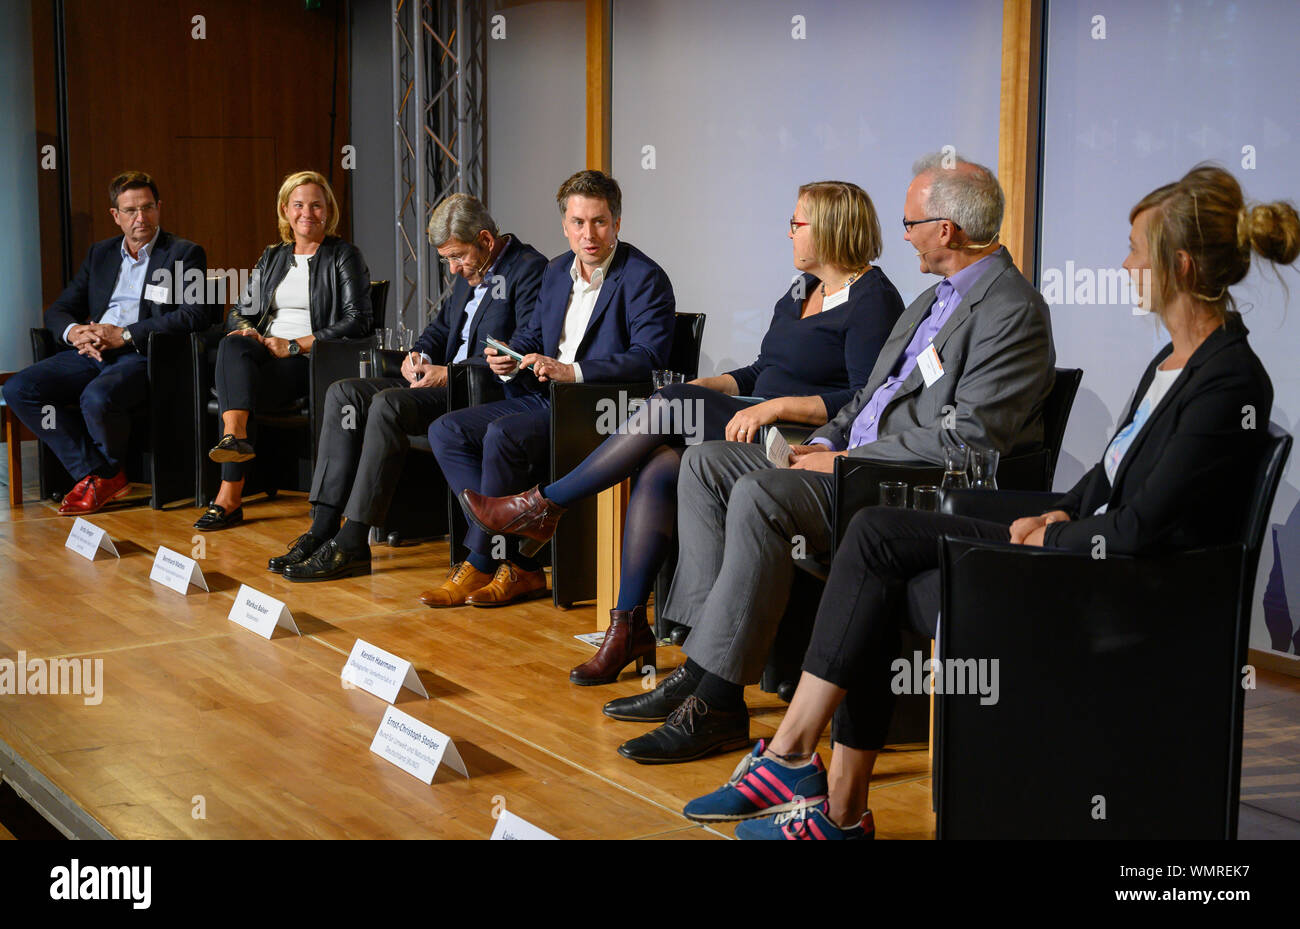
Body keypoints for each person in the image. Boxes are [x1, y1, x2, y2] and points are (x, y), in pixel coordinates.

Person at [682, 163, 1294, 839]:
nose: (1123, 264)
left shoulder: (1230, 379)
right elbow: (1110, 480)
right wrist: (1062, 510)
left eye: (1135, 250)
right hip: (1092, 548)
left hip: (1129, 586)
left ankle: (811, 772)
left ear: (1177, 264)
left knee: (880, 546)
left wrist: (1052, 535)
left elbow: (1143, 524)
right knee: (879, 542)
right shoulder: (1172, 361)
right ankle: (831, 795)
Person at [604, 153, 1058, 764]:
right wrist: (819, 444)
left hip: (900, 484)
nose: (903, 236)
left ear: (945, 229)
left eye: (910, 223)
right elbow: (868, 398)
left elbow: (969, 441)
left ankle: (715, 699)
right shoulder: (931, 301)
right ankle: (700, 669)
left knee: (762, 494)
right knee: (707, 465)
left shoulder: (1013, 310)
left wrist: (846, 462)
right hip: (850, 459)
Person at [461, 180, 905, 684]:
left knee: (669, 405)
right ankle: (627, 626)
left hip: (797, 437)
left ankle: (545, 505)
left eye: (796, 223)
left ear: (829, 228)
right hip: (750, 414)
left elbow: (866, 400)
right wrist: (702, 386)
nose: (789, 234)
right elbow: (760, 371)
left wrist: (772, 408)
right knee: (659, 467)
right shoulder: (802, 290)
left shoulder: (873, 299)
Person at [419, 169, 676, 608]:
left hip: (598, 406)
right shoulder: (556, 272)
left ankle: (489, 561)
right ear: (565, 226)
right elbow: (532, 338)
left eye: (599, 221)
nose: (588, 234)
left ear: (617, 222)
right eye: (578, 223)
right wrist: (506, 357)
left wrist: (572, 371)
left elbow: (649, 358)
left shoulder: (644, 277)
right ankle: (518, 563)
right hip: (543, 397)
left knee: (504, 435)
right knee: (446, 430)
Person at [272, 194, 546, 580]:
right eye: (446, 259)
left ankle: (353, 542)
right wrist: (416, 355)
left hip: (481, 390)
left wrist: (449, 373)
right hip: (443, 379)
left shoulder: (529, 269)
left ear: (485, 240)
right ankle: (322, 527)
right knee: (344, 393)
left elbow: (522, 348)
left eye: (458, 257)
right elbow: (439, 329)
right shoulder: (470, 271)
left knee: (387, 404)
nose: (452, 269)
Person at [3, 171, 207, 515]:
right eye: (130, 210)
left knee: (95, 397)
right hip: (92, 351)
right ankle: (98, 473)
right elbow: (60, 309)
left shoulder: (184, 253)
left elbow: (194, 315)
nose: (140, 218)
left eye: (147, 208)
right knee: (19, 389)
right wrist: (76, 332)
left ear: (159, 208)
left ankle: (100, 477)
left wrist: (124, 334)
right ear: (116, 215)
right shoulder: (101, 253)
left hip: (142, 354)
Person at [195, 170, 372, 530]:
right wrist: (251, 334)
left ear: (329, 211)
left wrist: (293, 345)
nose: (308, 212)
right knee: (233, 345)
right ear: (285, 210)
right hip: (265, 354)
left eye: (317, 205)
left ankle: (229, 493)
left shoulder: (343, 255)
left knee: (237, 383)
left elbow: (358, 321)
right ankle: (236, 435)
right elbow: (238, 313)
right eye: (299, 205)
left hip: (312, 362)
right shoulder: (273, 256)